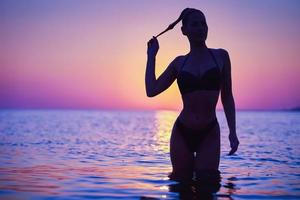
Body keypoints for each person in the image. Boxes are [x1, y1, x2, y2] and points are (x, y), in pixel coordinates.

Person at [145, 8, 239, 182]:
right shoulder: (179, 63)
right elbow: (151, 90)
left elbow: (227, 96)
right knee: (181, 185)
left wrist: (233, 132)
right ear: (184, 30)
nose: (201, 28)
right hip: (182, 131)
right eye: (195, 24)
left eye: (204, 23)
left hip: (209, 131)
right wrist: (151, 56)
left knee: (207, 185)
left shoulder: (221, 56)